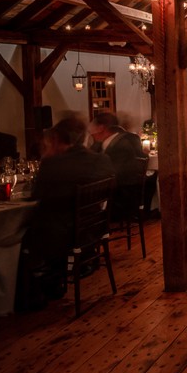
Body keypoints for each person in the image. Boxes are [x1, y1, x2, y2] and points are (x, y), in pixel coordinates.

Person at [20, 117, 115, 297]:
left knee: (17, 233)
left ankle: (32, 287)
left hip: (61, 234)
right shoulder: (102, 160)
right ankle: (77, 263)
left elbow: (36, 196)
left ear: (56, 138)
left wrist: (48, 155)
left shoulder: (52, 164)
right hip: (94, 228)